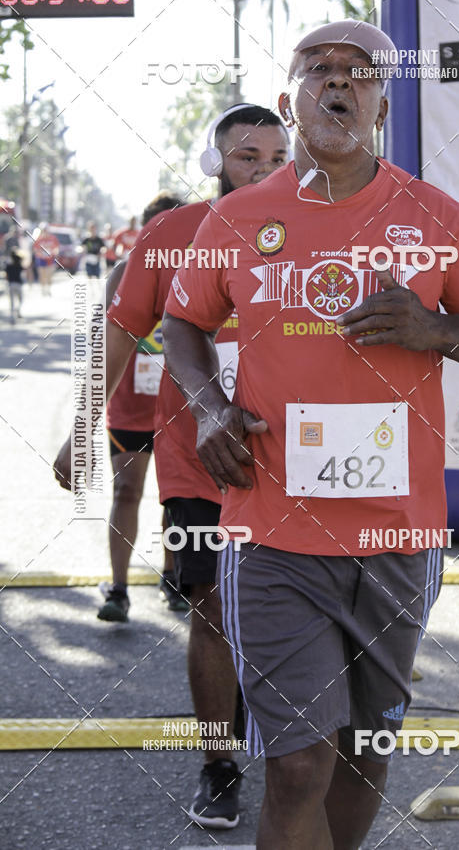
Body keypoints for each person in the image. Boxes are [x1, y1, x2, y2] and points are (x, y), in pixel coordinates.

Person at [162, 19, 459, 850]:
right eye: (318, 69)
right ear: (289, 97)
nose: (338, 82)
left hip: (397, 538)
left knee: (365, 757)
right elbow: (183, 322)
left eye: (359, 71)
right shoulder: (238, 218)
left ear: (382, 101)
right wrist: (210, 406)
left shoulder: (435, 216)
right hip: (273, 535)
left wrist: (435, 330)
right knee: (300, 764)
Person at [53, 104, 289, 829]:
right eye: (248, 157)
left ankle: (295, 750)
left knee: (285, 612)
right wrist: (82, 430)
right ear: (215, 163)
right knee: (211, 606)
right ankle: (218, 764)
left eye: (278, 158)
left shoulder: (318, 224)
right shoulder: (169, 236)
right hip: (198, 455)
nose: (265, 171)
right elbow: (120, 335)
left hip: (298, 458)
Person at [98, 195, 186, 622]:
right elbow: (105, 341)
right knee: (127, 491)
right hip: (130, 406)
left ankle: (173, 577)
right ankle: (118, 589)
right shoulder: (122, 274)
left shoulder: (200, 270)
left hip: (179, 407)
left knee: (177, 501)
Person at [5, 249, 24, 324]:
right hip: (18, 284)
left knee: (12, 301)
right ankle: (18, 311)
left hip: (11, 284)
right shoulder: (19, 265)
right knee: (20, 299)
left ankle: (12, 316)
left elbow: (6, 276)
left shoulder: (8, 266)